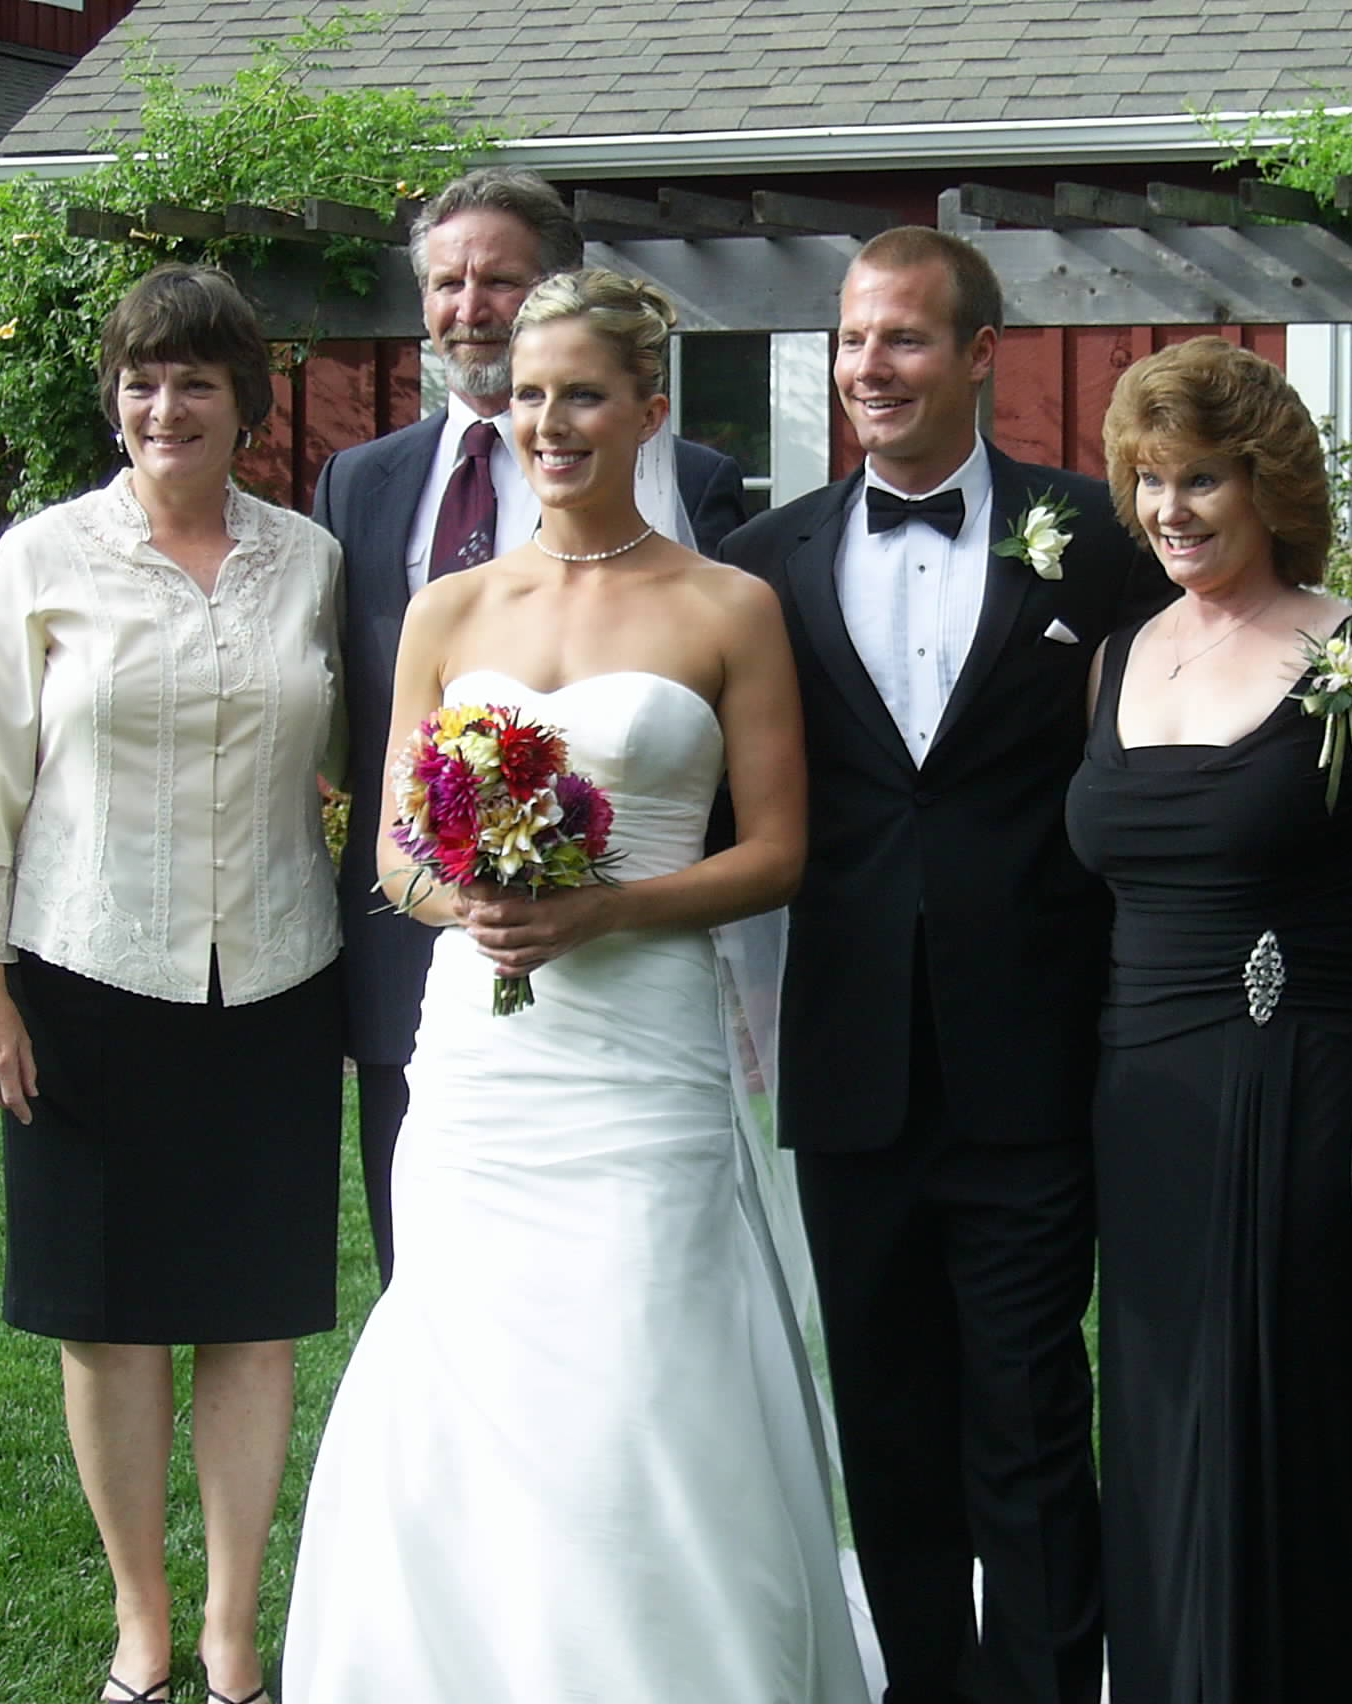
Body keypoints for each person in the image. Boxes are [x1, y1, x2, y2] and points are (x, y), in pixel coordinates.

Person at [721, 228, 1352, 1704]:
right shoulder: (761, 568)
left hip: (1047, 1061)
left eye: (905, 337)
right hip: (851, 1066)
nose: (872, 365)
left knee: (1036, 1412)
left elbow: (1254, 648)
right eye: (854, 338)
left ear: (980, 354)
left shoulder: (1098, 538)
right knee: (889, 1425)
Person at [282, 268, 867, 1703]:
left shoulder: (727, 607)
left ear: (649, 410)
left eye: (584, 396)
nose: (550, 423)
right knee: (474, 1364)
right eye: (532, 396)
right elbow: (396, 857)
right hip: (482, 1066)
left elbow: (779, 854)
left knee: (641, 1362)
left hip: (644, 1053)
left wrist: (610, 909)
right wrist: (471, 900)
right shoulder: (447, 609)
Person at [0, 263, 345, 1704]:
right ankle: (142, 1630)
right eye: (142, 380)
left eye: (195, 382)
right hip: (85, 976)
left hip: (277, 979)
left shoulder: (311, 562)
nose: (166, 406)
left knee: (252, 1313)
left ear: (246, 403)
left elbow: (364, 743)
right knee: (105, 1319)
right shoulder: (43, 557)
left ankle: (231, 1634)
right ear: (116, 397)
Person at [1066, 336, 1352, 1701]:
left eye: (1203, 478)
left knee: (1282, 1406)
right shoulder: (1116, 657)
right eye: (1150, 480)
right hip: (1140, 1095)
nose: (1171, 510)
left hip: (1296, 1087)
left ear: (1269, 486)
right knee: (1157, 1412)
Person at [315, 165, 749, 1282]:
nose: (469, 307)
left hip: (641, 1006)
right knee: (439, 1287)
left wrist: (613, 902)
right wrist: (468, 900)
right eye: (446, 282)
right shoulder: (357, 485)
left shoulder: (703, 502)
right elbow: (373, 753)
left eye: (498, 281)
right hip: (438, 978)